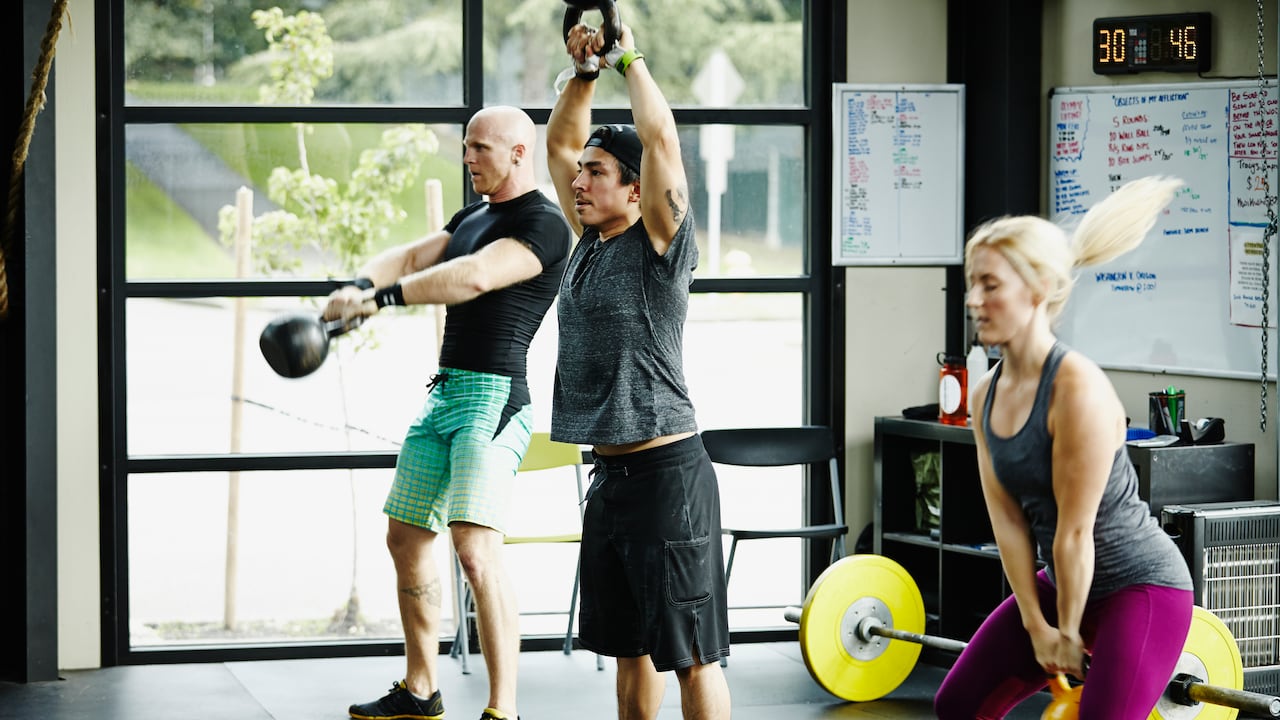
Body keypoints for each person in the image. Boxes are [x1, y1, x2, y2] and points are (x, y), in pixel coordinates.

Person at [329, 105, 572, 720]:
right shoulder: (472, 216)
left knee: (474, 550)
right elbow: (413, 256)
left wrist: (382, 300)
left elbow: (474, 277)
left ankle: (503, 709)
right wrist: (360, 283)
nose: (468, 158)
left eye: (480, 148)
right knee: (405, 535)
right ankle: (420, 688)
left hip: (495, 399)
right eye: (466, 146)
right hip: (444, 394)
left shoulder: (545, 224)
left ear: (519, 152)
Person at [934, 175, 1195, 719]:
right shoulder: (985, 394)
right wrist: (1036, 624)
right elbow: (1009, 522)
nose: (974, 300)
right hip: (1061, 582)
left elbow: (1075, 533)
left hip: (1139, 587)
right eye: (972, 284)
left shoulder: (1077, 389)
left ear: (1037, 291)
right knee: (958, 705)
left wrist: (1069, 631)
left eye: (990, 285)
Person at [545, 20, 733, 720]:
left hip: (667, 479)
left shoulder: (659, 243)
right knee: (627, 652)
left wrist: (627, 58)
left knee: (690, 656)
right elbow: (558, 143)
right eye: (581, 173)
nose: (577, 180)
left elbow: (661, 141)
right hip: (610, 480)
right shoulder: (588, 242)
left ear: (634, 190)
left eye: (596, 172)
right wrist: (584, 74)